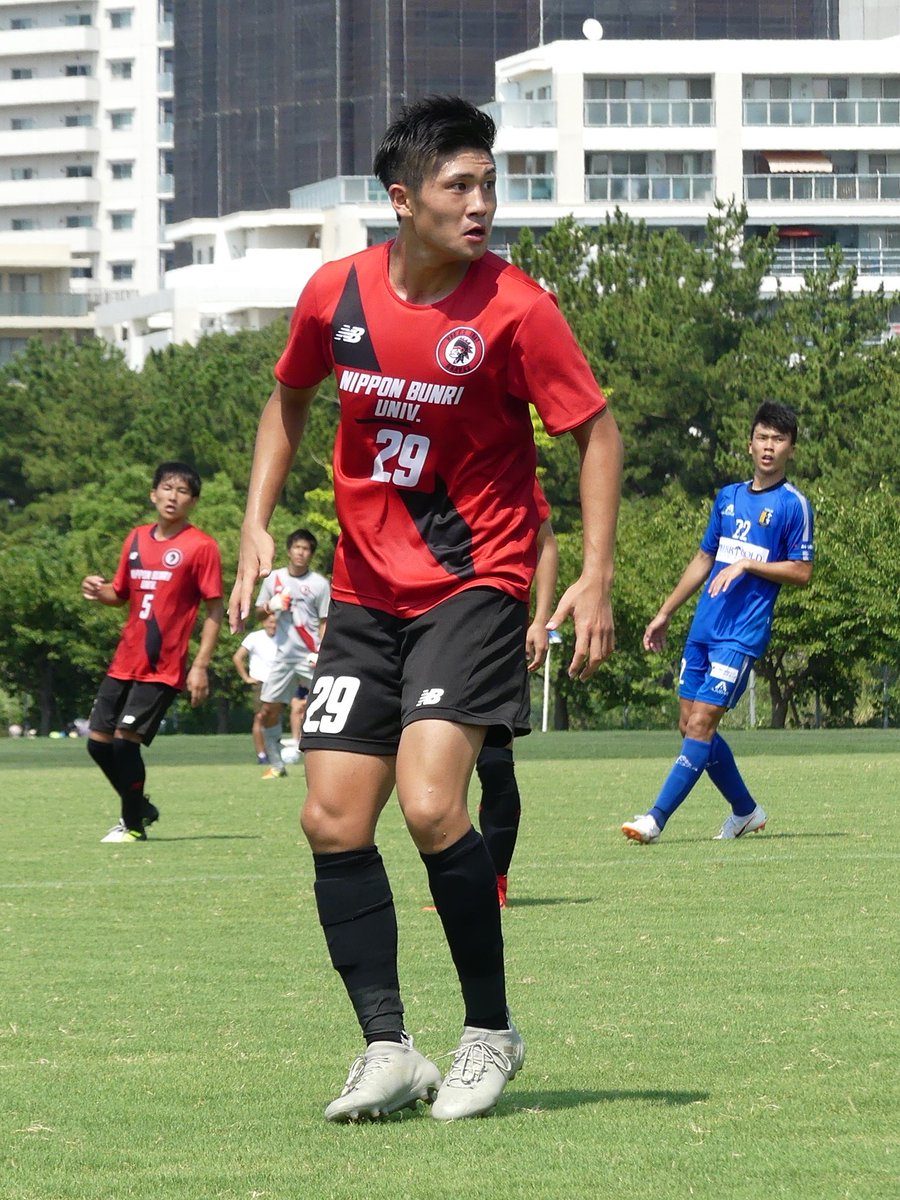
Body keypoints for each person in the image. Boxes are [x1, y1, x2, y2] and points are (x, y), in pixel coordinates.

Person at [229, 95, 622, 1123]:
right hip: (363, 587)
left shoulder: (517, 310)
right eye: (460, 186)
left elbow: (596, 432)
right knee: (328, 817)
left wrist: (595, 572)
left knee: (435, 803)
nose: (483, 203)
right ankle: (388, 1049)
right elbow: (289, 397)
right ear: (401, 200)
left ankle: (490, 1033)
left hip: (475, 583)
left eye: (491, 184)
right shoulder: (336, 292)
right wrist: (256, 521)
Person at [622, 401, 814, 845]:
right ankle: (746, 811)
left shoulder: (793, 505)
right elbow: (704, 558)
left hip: (741, 635)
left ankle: (655, 819)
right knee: (689, 725)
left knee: (702, 726)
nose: (769, 446)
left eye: (779, 439)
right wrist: (665, 612)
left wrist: (748, 564)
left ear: (791, 450)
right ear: (750, 444)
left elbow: (802, 573)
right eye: (763, 437)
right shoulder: (727, 497)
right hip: (704, 630)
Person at [82, 461, 223, 843]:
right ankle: (139, 805)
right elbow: (120, 594)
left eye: (182, 491)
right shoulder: (135, 538)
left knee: (126, 743)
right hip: (124, 659)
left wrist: (201, 665)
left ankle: (132, 825)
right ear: (153, 494)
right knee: (98, 743)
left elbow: (214, 608)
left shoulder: (201, 546)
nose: (172, 496)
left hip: (163, 664)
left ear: (193, 501)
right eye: (167, 488)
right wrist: (99, 592)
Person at [477, 507, 558, 909]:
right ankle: (455, 883)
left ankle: (495, 883)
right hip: (433, 631)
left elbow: (545, 542)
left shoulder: (514, 473)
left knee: (494, 763)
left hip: (501, 631)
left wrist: (540, 619)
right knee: (439, 771)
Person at [253, 528, 330, 778]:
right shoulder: (274, 579)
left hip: (311, 655)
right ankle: (277, 765)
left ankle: (328, 768)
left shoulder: (319, 584)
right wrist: (271, 605)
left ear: (311, 554)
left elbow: (325, 621)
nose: (301, 552)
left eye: (306, 549)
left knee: (327, 710)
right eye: (297, 547)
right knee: (268, 711)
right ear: (289, 550)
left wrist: (323, 650)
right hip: (283, 657)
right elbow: (257, 614)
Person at [232, 610, 279, 763]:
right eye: (270, 622)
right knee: (260, 717)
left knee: (275, 718)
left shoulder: (283, 637)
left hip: (278, 683)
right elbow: (238, 658)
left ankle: (273, 752)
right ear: (264, 622)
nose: (273, 625)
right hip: (261, 683)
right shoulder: (255, 637)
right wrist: (246, 678)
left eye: (275, 622)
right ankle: (262, 755)